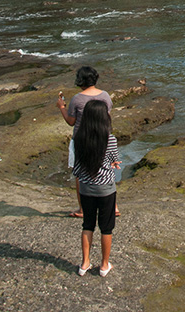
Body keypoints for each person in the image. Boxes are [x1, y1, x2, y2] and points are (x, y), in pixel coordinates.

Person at [56, 66, 114, 218]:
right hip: (103, 138)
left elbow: (71, 121)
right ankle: (113, 206)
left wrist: (62, 107)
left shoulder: (77, 99)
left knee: (80, 173)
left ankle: (82, 209)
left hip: (82, 140)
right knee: (108, 169)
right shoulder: (105, 96)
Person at [72, 100, 120, 277]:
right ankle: (104, 265)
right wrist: (113, 164)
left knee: (88, 225)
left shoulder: (79, 139)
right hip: (106, 189)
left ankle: (84, 263)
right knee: (106, 228)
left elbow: (76, 168)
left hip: (86, 188)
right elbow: (114, 158)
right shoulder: (110, 139)